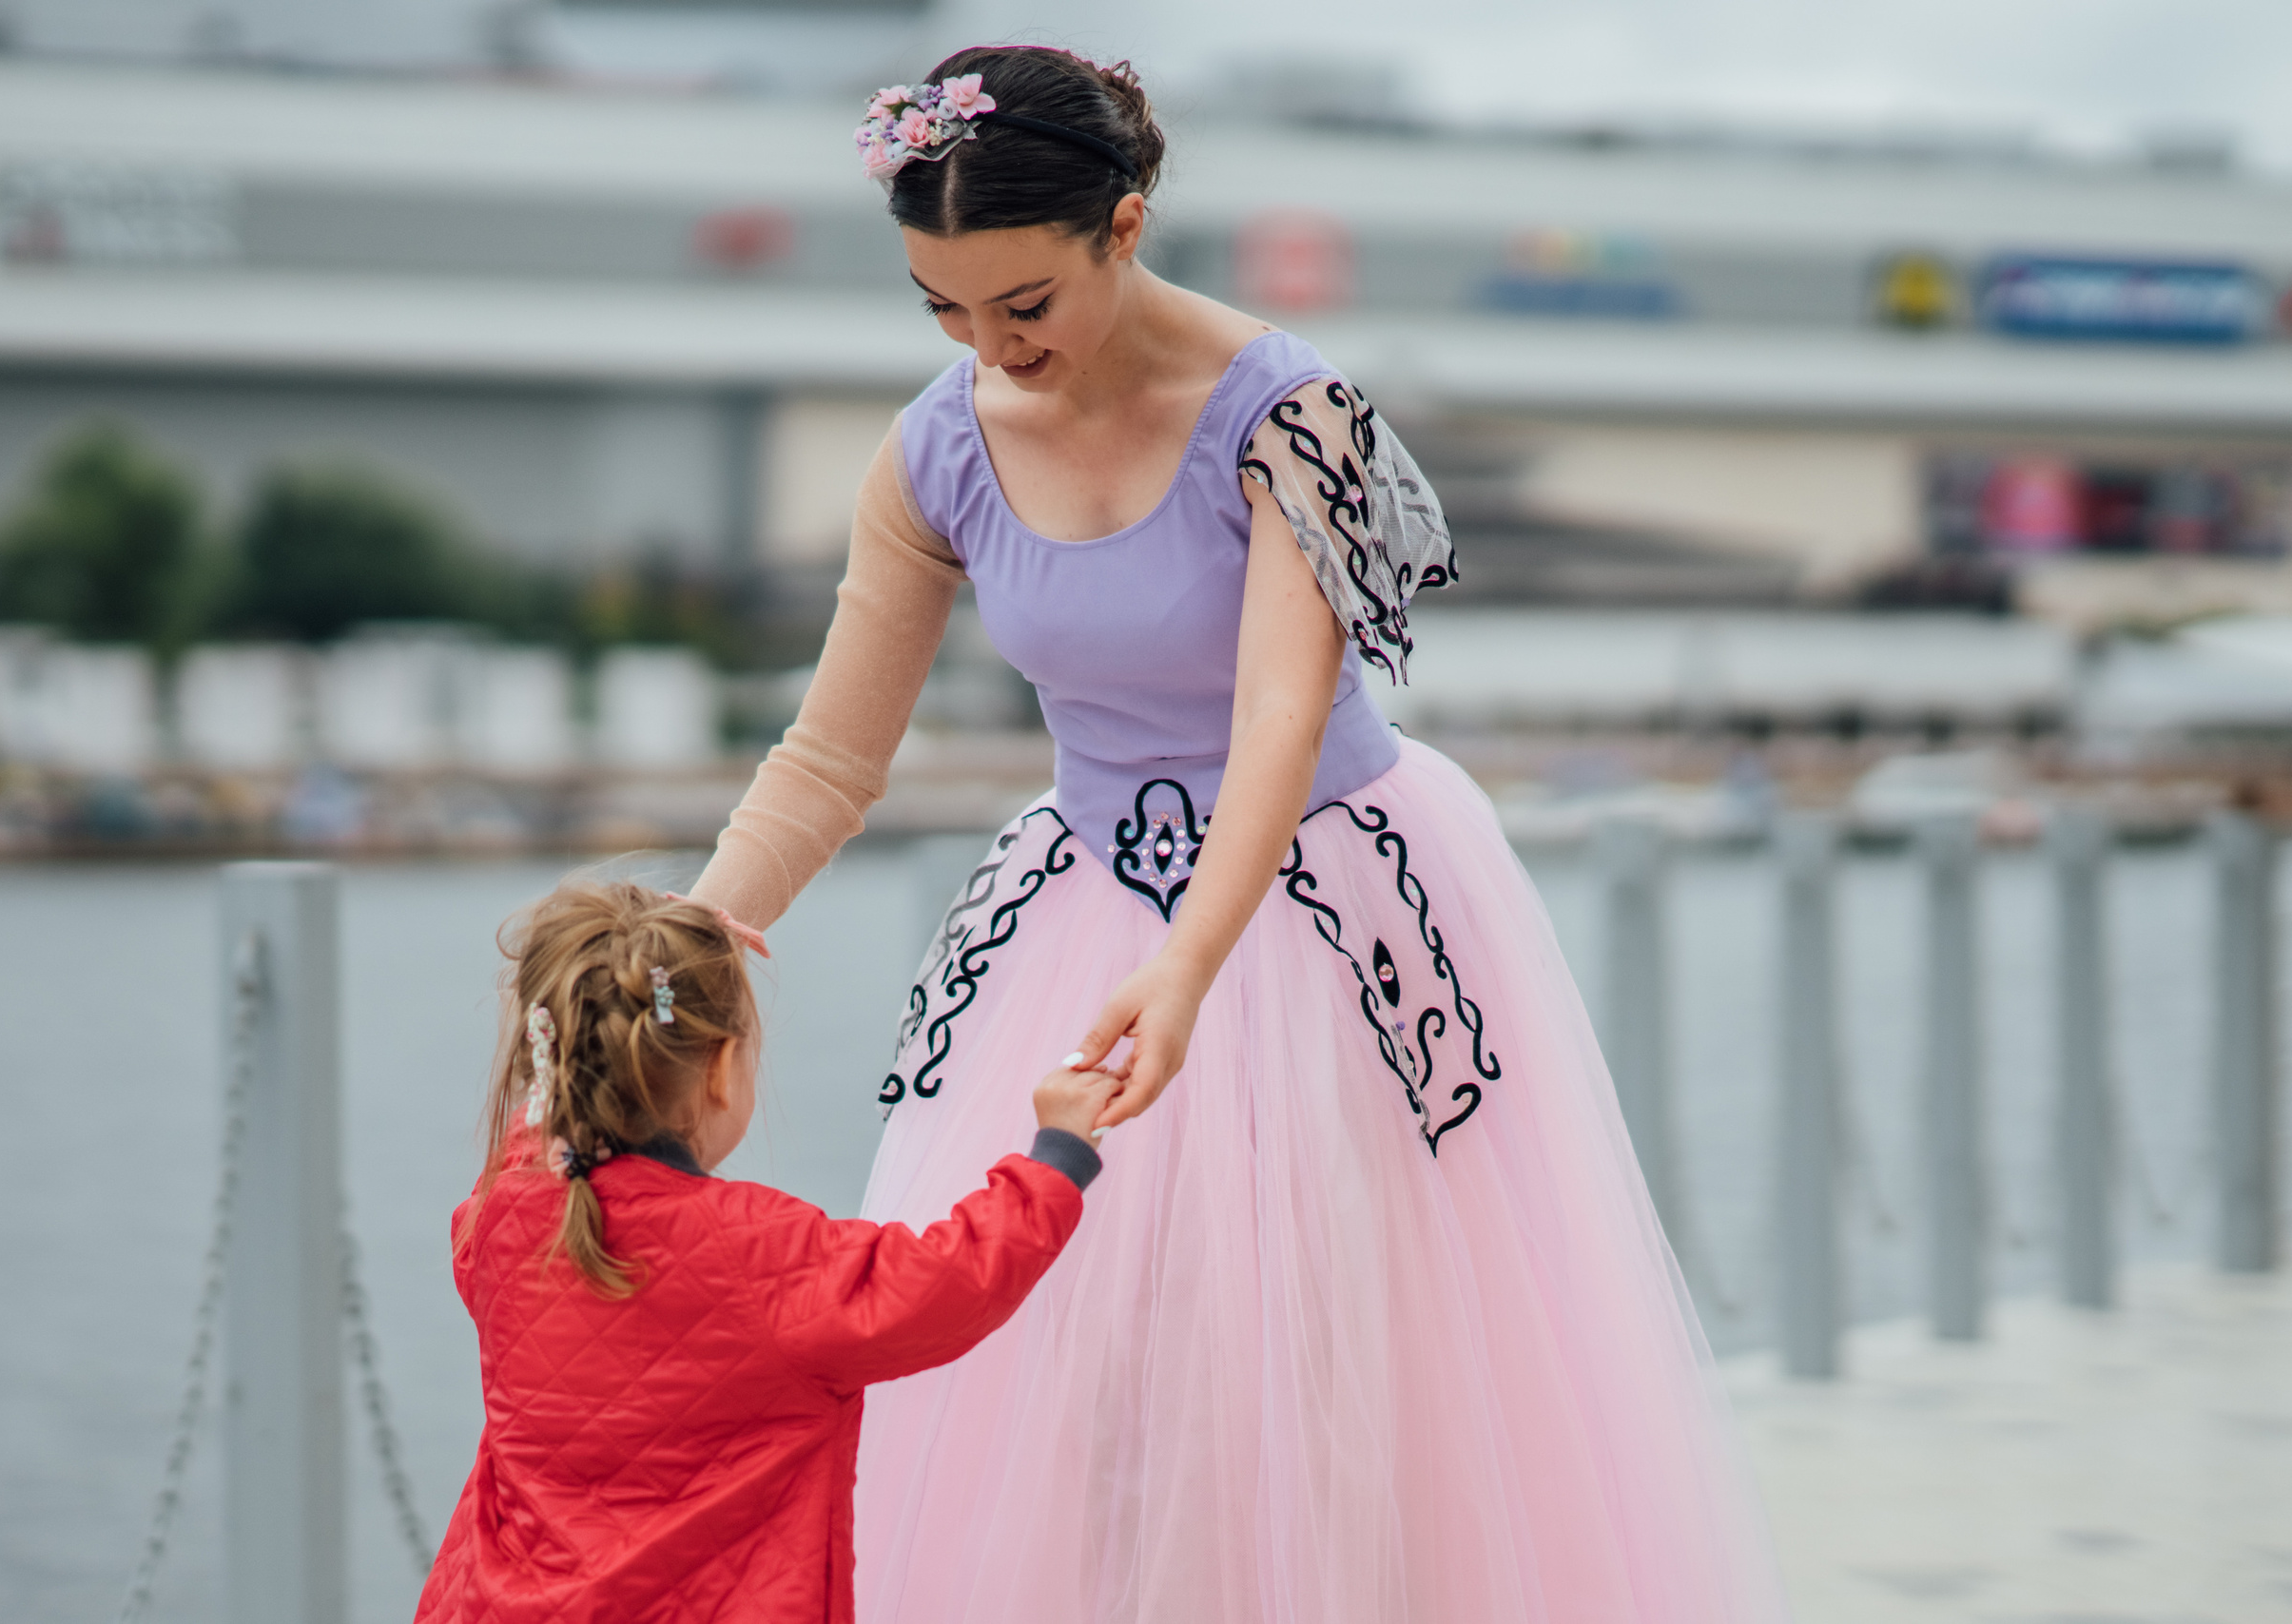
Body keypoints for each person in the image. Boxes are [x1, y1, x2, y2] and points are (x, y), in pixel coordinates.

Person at [693, 46, 1793, 1622]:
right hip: (1084, 911)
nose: (992, 348)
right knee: (1082, 1378)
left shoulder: (1297, 415)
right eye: (943, 309)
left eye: (1024, 306)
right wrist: (686, 933)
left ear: (1123, 229)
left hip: (1327, 914)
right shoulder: (936, 446)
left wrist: (1190, 968)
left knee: (1332, 1365)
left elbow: (1279, 719)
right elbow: (830, 754)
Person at [414, 880, 1119, 1624]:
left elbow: (539, 1146)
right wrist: (1056, 1159)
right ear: (720, 1070)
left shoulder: (498, 1220)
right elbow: (950, 1280)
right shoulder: (759, 1255)